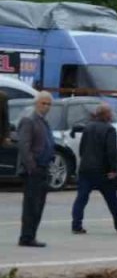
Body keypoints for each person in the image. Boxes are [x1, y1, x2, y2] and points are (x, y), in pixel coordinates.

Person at [71, 103, 117, 234]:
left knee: (81, 198)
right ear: (105, 115)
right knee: (112, 200)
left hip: (86, 169)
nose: (111, 115)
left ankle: (76, 224)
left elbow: (82, 148)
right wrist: (113, 170)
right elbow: (111, 152)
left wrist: (85, 161)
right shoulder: (109, 129)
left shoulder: (88, 127)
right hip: (102, 171)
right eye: (109, 113)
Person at [16, 91, 55, 247]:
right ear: (36, 103)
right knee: (32, 205)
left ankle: (31, 235)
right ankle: (26, 237)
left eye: (48, 104)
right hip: (34, 170)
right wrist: (32, 166)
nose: (46, 107)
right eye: (43, 103)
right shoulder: (29, 120)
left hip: (43, 168)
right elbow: (24, 146)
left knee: (39, 205)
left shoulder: (43, 121)